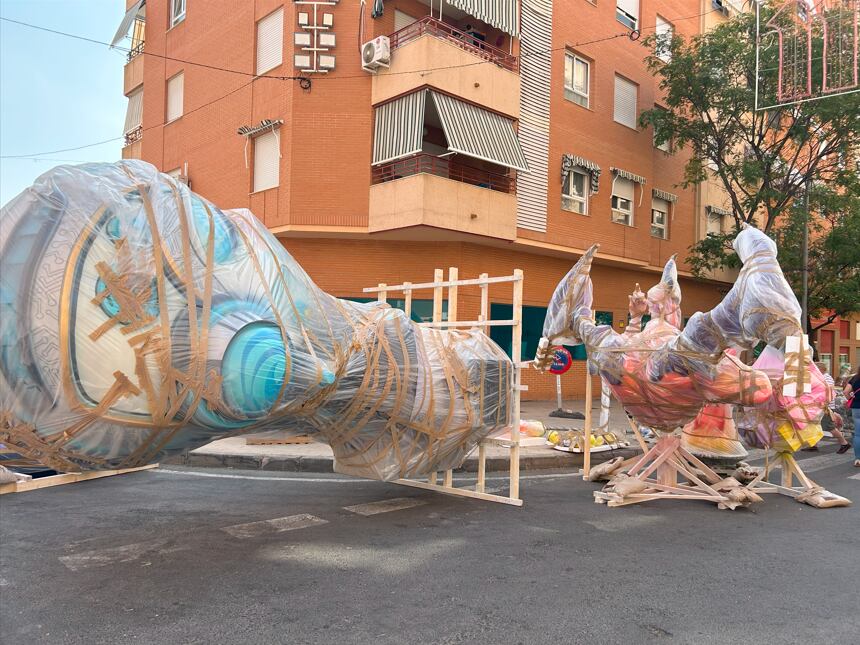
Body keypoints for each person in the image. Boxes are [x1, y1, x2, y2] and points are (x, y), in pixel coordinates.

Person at [809, 362, 851, 453]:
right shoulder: (823, 377)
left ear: (820, 369)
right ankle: (813, 445)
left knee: (829, 427)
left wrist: (825, 405)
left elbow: (827, 393)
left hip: (825, 407)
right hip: (821, 406)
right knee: (815, 425)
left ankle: (844, 443)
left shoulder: (826, 378)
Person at [844, 364, 860, 467]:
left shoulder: (855, 378)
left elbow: (846, 392)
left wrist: (850, 399)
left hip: (856, 408)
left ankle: (858, 459)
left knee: (858, 434)